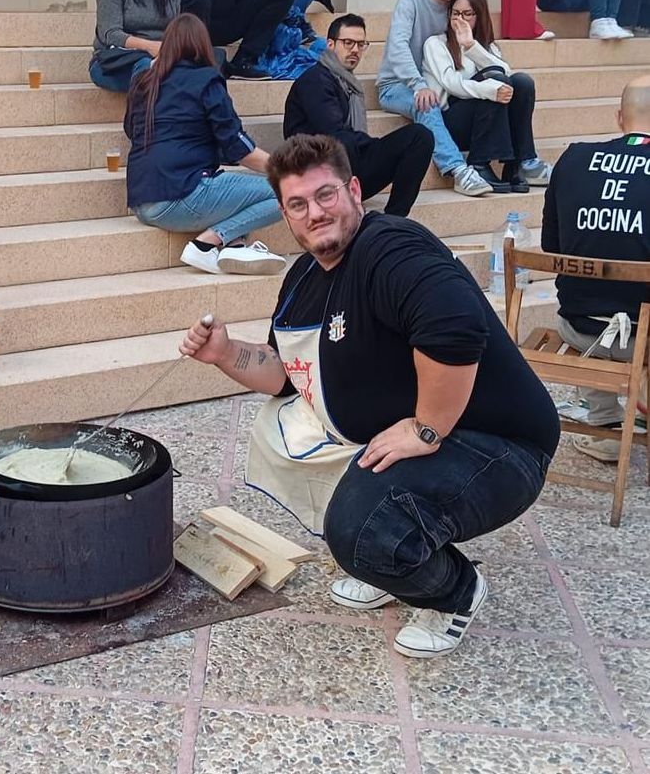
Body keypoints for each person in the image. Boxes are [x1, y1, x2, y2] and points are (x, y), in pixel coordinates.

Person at [180, 133, 558, 658]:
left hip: (500, 445)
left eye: (325, 194)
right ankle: (393, 562)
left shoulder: (390, 248)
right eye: (298, 204)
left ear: (354, 191)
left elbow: (456, 328)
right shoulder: (305, 275)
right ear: (285, 215)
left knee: (360, 531)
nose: (315, 213)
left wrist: (427, 427)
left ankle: (456, 591)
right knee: (282, 427)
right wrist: (225, 353)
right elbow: (287, 375)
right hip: (425, 432)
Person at [377, 0, 550, 196]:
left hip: (442, 88)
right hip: (398, 84)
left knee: (518, 82)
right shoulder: (412, 1)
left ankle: (522, 162)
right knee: (427, 103)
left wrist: (471, 47)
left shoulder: (456, 7)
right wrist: (418, 85)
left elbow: (500, 69)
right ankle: (458, 170)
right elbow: (397, 46)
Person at [125, 14, 285, 276]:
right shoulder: (206, 79)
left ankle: (235, 246)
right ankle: (206, 243)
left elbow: (131, 129)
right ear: (202, 45)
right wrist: (289, 170)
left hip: (141, 202)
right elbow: (239, 148)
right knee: (286, 192)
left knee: (230, 188)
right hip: (179, 193)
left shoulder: (144, 79)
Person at [542, 76, 650, 462]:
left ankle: (606, 424)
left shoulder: (573, 160)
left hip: (581, 326)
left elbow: (552, 247)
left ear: (620, 117)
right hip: (644, 338)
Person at [283, 14, 432, 216]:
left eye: (361, 44)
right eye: (348, 43)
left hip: (343, 167)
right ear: (330, 44)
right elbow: (333, 134)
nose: (355, 50)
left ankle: (395, 217)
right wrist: (372, 146)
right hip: (316, 172)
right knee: (415, 136)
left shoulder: (347, 83)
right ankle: (392, 217)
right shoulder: (315, 81)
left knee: (420, 137)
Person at [422, 0, 543, 194]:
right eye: (455, 13)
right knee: (496, 82)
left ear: (479, 16)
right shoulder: (436, 44)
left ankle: (517, 164)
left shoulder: (488, 47)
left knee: (522, 83)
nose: (460, 19)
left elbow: (506, 72)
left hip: (485, 119)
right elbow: (451, 83)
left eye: (467, 14)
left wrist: (471, 46)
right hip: (452, 119)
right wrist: (488, 90)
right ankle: (479, 163)